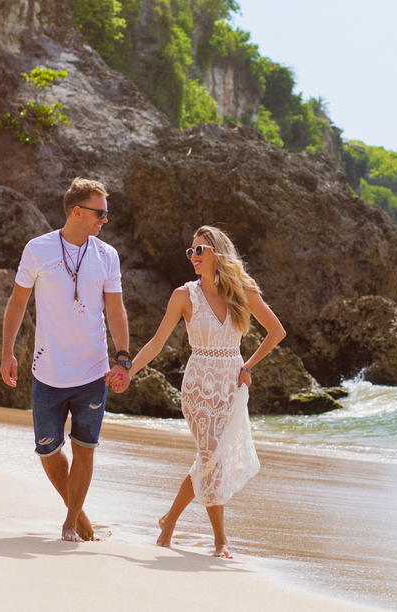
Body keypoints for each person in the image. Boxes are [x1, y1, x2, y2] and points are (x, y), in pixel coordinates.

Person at [125, 225, 285, 558]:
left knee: (209, 459)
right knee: (213, 458)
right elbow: (156, 343)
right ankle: (220, 541)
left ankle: (169, 520)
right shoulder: (184, 296)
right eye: (191, 251)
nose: (194, 256)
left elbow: (276, 331)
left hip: (230, 388)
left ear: (217, 253)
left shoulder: (241, 291)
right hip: (198, 387)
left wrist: (248, 366)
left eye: (200, 250)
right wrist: (128, 371)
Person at [0, 177, 131, 542]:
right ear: (77, 211)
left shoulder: (107, 255)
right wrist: (7, 351)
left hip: (93, 371)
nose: (105, 219)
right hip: (48, 371)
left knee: (85, 450)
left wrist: (122, 358)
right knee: (47, 450)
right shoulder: (38, 250)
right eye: (100, 212)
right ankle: (80, 512)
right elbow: (17, 302)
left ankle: (70, 523)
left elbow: (115, 310)